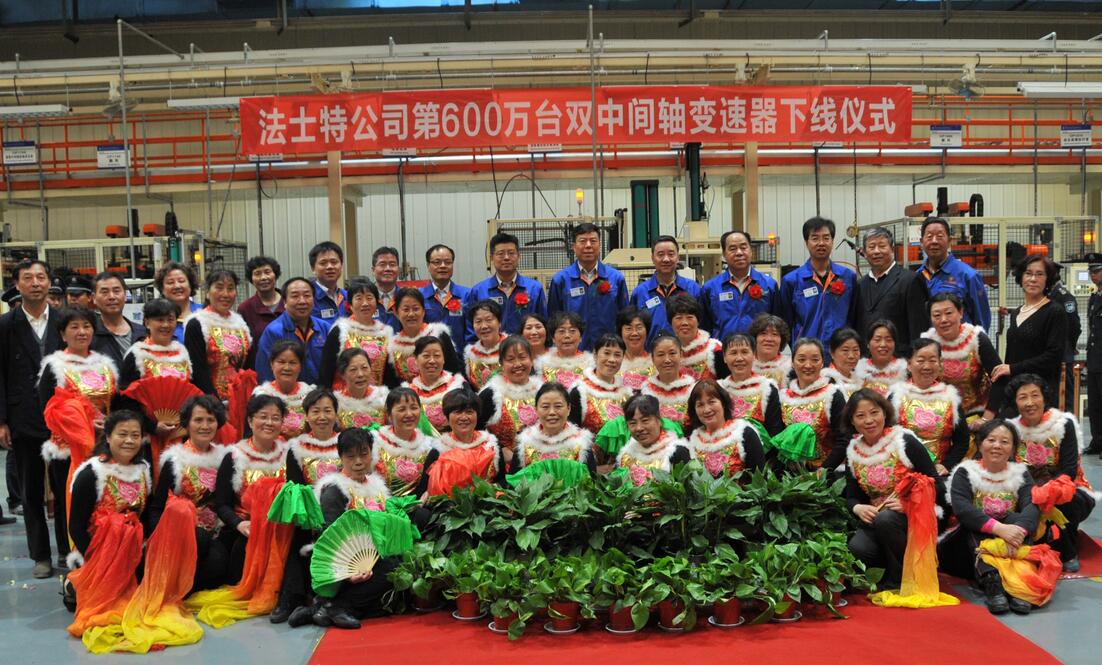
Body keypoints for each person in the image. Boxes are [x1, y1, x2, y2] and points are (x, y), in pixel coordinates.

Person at [38, 307, 119, 570]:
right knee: (69, 501)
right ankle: (67, 551)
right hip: (68, 447)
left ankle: (100, 549)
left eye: (86, 326)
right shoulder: (55, 366)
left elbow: (114, 402)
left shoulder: (105, 364)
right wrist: (83, 424)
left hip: (103, 444)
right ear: (63, 334)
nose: (81, 332)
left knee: (99, 498)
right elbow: (49, 409)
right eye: (74, 327)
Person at [0, 259, 65, 577]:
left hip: (63, 417)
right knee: (30, 490)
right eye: (28, 278)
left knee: (65, 487)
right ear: (17, 284)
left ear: (49, 282)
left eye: (41, 277)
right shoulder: (6, 325)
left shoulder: (65, 321)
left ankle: (67, 549)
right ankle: (40, 555)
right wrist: (2, 420)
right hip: (23, 415)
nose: (36, 283)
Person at [844, 388, 940, 590]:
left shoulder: (904, 441)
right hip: (878, 520)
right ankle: (887, 569)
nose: (869, 420)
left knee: (886, 519)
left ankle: (900, 579)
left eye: (874, 412)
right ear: (852, 421)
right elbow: (851, 496)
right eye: (860, 416)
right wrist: (858, 508)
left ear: (884, 413)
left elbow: (936, 484)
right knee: (857, 548)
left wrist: (908, 505)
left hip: (913, 517)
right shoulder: (853, 451)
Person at [64, 412, 152, 627]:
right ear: (108, 437)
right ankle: (75, 582)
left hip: (133, 551)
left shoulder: (143, 470)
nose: (129, 440)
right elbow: (76, 527)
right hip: (98, 554)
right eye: (122, 434)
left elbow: (147, 515)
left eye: (135, 435)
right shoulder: (91, 473)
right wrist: (100, 562)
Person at [943, 419, 1039, 615]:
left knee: (1020, 520)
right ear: (980, 444)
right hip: (966, 549)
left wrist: (1018, 531)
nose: (997, 446)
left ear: (1013, 449)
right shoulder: (965, 472)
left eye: (1004, 442)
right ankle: (992, 581)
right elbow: (963, 509)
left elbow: (1032, 505)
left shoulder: (1021, 473)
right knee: (973, 524)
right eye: (991, 440)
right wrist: (1000, 529)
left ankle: (1019, 582)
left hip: (1010, 542)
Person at [1006, 373, 1095, 572]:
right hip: (1027, 489)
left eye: (1035, 395)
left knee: (1067, 500)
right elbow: (1009, 468)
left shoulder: (1062, 424)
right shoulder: (1011, 429)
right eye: (1023, 397)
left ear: (1044, 398)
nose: (1030, 403)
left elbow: (1069, 469)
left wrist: (1046, 491)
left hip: (1065, 487)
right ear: (1015, 402)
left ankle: (1068, 551)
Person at [311, 428, 394, 629]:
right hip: (342, 564)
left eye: (364, 454)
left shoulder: (378, 487)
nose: (358, 462)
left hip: (374, 554)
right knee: (391, 568)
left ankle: (319, 610)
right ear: (340, 457)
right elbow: (329, 538)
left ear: (372, 453)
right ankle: (338, 607)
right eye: (350, 456)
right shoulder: (335, 490)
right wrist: (348, 571)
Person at [148, 395, 231, 592]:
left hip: (214, 533)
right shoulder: (175, 460)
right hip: (180, 535)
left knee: (219, 563)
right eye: (198, 420)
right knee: (201, 541)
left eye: (210, 420)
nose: (205, 426)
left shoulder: (224, 458)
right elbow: (157, 506)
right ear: (187, 423)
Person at [214, 394, 289, 583]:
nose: (269, 423)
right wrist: (239, 524)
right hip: (245, 529)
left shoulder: (288, 455)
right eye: (263, 417)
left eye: (275, 418)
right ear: (250, 420)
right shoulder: (234, 456)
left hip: (280, 529)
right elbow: (222, 504)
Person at [779, 217, 858, 363]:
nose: (821, 243)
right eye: (815, 238)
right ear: (806, 242)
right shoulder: (791, 281)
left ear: (832, 241)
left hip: (840, 354)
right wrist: (797, 347)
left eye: (826, 238)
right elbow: (786, 322)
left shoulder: (848, 277)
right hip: (807, 356)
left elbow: (853, 316)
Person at [995, 255, 1068, 408]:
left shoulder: (1055, 312)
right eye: (1028, 273)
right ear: (1021, 277)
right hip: (1016, 391)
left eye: (1039, 274)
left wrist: (1012, 368)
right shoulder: (1016, 312)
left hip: (1040, 393)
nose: (1033, 279)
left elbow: (1053, 356)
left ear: (1047, 279)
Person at [889, 339, 969, 476]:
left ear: (940, 363)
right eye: (920, 361)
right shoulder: (897, 395)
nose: (927, 366)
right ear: (909, 364)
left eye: (932, 360)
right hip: (904, 472)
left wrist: (946, 465)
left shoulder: (951, 397)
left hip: (939, 473)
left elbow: (962, 441)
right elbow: (886, 436)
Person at [922, 293, 1005, 426]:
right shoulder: (926, 343)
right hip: (938, 416)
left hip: (977, 415)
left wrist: (986, 419)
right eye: (937, 315)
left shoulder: (976, 339)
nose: (943, 320)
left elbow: (1000, 378)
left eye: (949, 313)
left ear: (960, 313)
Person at [547, 223, 628, 350]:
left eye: (593, 241)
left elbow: (625, 318)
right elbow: (553, 320)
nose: (588, 245)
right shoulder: (561, 280)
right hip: (572, 352)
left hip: (608, 350)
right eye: (583, 241)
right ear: (574, 247)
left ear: (600, 245)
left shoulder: (616, 279)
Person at [854, 227, 929, 357]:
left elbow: (918, 328)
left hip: (899, 360)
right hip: (867, 361)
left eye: (882, 246)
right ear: (865, 253)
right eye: (871, 247)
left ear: (892, 249)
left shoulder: (910, 280)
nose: (876, 251)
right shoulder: (860, 285)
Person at [779, 338, 848, 471]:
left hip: (825, 474)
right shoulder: (783, 397)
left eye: (815, 360)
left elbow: (844, 439)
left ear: (822, 363)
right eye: (801, 359)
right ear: (792, 363)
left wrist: (824, 470)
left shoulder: (832, 395)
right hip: (790, 475)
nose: (808, 365)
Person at [464, 232, 547, 341]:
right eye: (501, 253)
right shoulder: (478, 291)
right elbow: (471, 328)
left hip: (526, 349)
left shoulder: (534, 289)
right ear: (492, 258)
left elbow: (543, 323)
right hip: (491, 350)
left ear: (519, 256)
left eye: (511, 253)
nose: (506, 258)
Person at [185, 269, 252, 401]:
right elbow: (197, 370)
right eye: (219, 288)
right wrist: (214, 402)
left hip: (239, 398)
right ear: (207, 292)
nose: (225, 294)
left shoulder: (240, 323)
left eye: (230, 288)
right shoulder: (198, 323)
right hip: (209, 401)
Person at [916, 217, 991, 333]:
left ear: (949, 241)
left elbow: (982, 321)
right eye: (929, 236)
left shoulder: (968, 276)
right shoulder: (917, 277)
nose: (934, 241)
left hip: (960, 343)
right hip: (928, 343)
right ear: (921, 242)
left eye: (940, 236)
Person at [630, 235, 704, 349]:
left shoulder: (693, 289)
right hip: (650, 356)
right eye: (660, 254)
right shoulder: (640, 293)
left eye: (671, 254)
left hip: (687, 355)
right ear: (653, 258)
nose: (666, 259)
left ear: (678, 257)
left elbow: (703, 326)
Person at [703, 231, 779, 341]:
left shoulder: (769, 285)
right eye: (732, 249)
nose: (739, 253)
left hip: (757, 349)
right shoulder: (710, 288)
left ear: (751, 251)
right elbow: (705, 327)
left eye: (743, 247)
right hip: (723, 349)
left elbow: (777, 323)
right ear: (724, 254)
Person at [318, 278, 392, 389]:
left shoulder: (384, 332)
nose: (365, 303)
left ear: (377, 303)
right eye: (359, 298)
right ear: (350, 305)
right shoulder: (340, 331)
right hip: (343, 397)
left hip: (376, 396)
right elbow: (326, 371)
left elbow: (388, 374)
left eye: (369, 298)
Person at [256, 277, 331, 386]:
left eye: (307, 295)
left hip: (321, 394)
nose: (302, 301)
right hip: (287, 394)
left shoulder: (325, 328)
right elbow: (265, 374)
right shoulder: (273, 332)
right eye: (295, 296)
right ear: (284, 302)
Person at [383, 287, 462, 387]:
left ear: (423, 311)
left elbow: (454, 371)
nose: (411, 314)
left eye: (416, 309)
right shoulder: (392, 347)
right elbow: (392, 384)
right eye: (406, 309)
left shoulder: (438, 334)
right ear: (397, 313)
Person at [687, 379, 766, 477]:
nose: (706, 410)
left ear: (723, 403)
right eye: (700, 405)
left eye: (711, 402)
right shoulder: (693, 442)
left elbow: (760, 479)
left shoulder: (744, 433)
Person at [478, 336, 544, 454]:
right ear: (501, 363)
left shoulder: (542, 391)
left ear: (531, 359)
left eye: (522, 357)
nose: (517, 364)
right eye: (510, 359)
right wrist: (500, 450)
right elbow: (476, 432)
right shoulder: (492, 394)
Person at [514, 383, 597, 475]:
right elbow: (513, 481)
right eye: (545, 407)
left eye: (558, 406)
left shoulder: (581, 444)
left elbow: (591, 481)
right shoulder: (525, 442)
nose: (552, 412)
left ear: (568, 409)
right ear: (536, 410)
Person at [371, 387, 437, 497]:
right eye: (402, 409)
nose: (409, 414)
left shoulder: (429, 446)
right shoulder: (375, 442)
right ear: (389, 414)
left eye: (414, 408)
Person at [717, 334, 784, 437]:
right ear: (724, 358)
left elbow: (774, 431)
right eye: (733, 353)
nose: (739, 358)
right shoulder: (718, 389)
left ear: (753, 355)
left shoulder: (767, 388)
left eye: (744, 352)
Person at [615, 394, 690, 486]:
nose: (639, 428)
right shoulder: (627, 455)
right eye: (633, 423)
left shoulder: (677, 452)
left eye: (645, 421)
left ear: (658, 420)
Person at [434, 388, 506, 484]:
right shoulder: (438, 450)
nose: (464, 417)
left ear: (477, 415)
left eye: (469, 412)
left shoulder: (492, 445)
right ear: (447, 417)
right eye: (457, 412)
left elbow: (502, 481)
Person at [119, 298, 192, 390]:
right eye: (160, 320)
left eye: (170, 320)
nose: (166, 325)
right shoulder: (136, 354)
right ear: (147, 323)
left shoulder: (182, 352)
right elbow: (126, 391)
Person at [570, 334, 633, 437]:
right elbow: (572, 434)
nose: (612, 360)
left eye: (617, 355)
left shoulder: (627, 394)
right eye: (606, 353)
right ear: (595, 354)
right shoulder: (580, 392)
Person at [253, 340, 315, 439]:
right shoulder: (261, 395)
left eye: (292, 363)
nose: (287, 368)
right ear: (271, 364)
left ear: (300, 366)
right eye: (281, 362)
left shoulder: (310, 395)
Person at [405, 336, 467, 434]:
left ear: (443, 359)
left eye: (437, 356)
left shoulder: (459, 385)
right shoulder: (408, 393)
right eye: (426, 356)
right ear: (416, 360)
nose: (432, 361)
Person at [90, 272, 148, 368]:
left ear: (125, 295)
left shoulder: (142, 333)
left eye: (116, 291)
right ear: (94, 298)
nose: (112, 297)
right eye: (104, 292)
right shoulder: (89, 335)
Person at [421, 244, 469, 358]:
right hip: (429, 360)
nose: (443, 266)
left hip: (460, 360)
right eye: (437, 262)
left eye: (447, 262)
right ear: (428, 265)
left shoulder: (466, 295)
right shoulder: (419, 296)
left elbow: (471, 330)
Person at [639, 332, 696, 430]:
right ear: (653, 358)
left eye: (672, 353)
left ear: (681, 354)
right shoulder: (644, 392)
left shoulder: (693, 390)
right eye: (661, 355)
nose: (667, 360)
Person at [285, 389, 341, 487]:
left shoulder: (346, 444)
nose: (322, 417)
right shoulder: (296, 449)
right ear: (306, 416)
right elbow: (296, 489)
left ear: (336, 415)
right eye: (315, 411)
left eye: (327, 411)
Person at [666, 293, 725, 381]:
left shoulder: (714, 350)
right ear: (670, 322)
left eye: (690, 317)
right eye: (678, 318)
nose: (684, 323)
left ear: (698, 321)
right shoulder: (666, 353)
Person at [1045, 270, 1080, 413]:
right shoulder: (1048, 295)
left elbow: (1074, 326)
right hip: (1049, 354)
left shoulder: (1065, 297)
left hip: (1063, 355)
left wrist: (1069, 346)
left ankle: (1067, 425)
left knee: (1065, 397)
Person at [334, 348, 389, 430]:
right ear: (342, 374)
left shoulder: (383, 397)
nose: (360, 374)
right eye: (353, 369)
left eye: (364, 368)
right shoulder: (337, 403)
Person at [539, 310, 593, 389]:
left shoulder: (591, 364)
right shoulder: (543, 364)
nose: (567, 335)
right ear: (553, 338)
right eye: (561, 331)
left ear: (581, 337)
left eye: (572, 331)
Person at [238, 256, 285, 342]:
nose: (263, 277)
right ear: (251, 279)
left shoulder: (289, 301)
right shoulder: (245, 308)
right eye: (257, 274)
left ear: (275, 275)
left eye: (267, 272)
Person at [856, 320, 908, 397]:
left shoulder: (906, 370)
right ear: (868, 344)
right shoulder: (858, 370)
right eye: (877, 340)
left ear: (895, 344)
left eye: (888, 340)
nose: (883, 344)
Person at [154, 261, 202, 343]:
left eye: (181, 281)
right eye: (170, 282)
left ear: (190, 285)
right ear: (162, 289)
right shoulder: (156, 318)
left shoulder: (206, 312)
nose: (177, 286)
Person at [464, 299, 506, 390]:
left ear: (499, 322)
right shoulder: (471, 354)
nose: (484, 326)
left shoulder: (512, 347)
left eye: (489, 320)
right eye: (478, 321)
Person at [1086, 254, 1102, 456]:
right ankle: (1097, 441)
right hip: (1095, 359)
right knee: (1095, 404)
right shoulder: (1094, 297)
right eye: (1091, 271)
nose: (1093, 275)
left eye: (1097, 271)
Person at [748, 314, 792, 389]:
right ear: (755, 338)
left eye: (774, 334)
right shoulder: (745, 364)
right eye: (763, 333)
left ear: (781, 340)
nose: (769, 339)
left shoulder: (790, 367)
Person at [309, 241, 347, 325]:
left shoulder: (348, 296)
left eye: (334, 262)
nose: (330, 267)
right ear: (313, 268)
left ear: (341, 266)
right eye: (323, 263)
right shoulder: (308, 298)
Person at [618, 307, 655, 392]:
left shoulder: (656, 363)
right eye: (629, 328)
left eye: (639, 328)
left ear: (647, 331)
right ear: (621, 332)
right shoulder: (613, 362)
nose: (634, 333)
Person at [821, 328, 864, 398]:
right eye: (845, 350)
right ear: (832, 353)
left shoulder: (861, 380)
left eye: (855, 350)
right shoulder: (824, 381)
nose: (851, 356)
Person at [371, 246, 401, 328]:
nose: (388, 269)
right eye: (382, 264)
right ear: (373, 270)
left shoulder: (405, 298)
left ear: (398, 270)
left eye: (392, 264)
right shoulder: (365, 300)